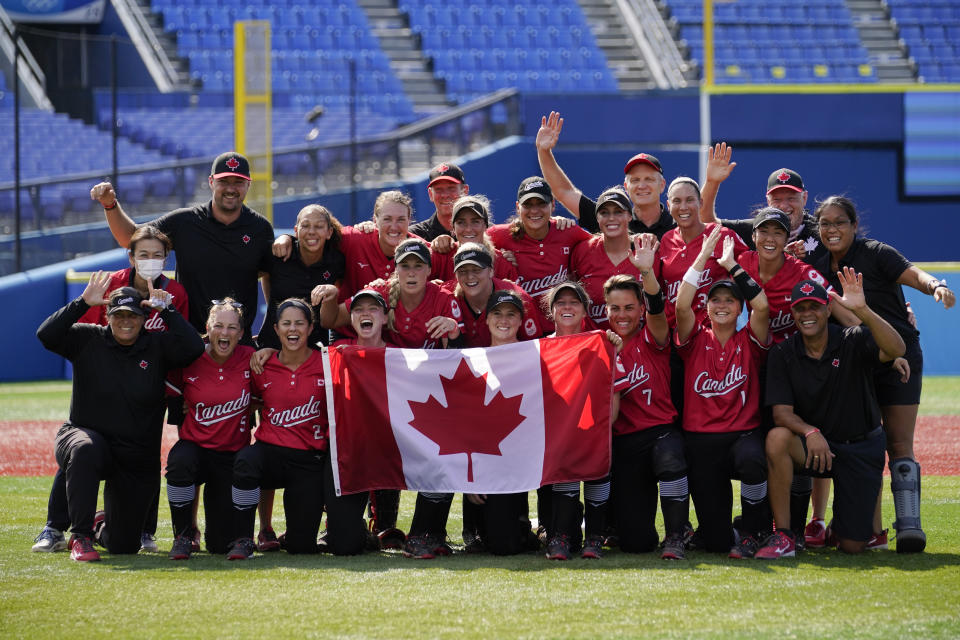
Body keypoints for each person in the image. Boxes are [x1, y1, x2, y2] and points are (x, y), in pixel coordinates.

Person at [808, 196, 955, 553]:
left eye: (839, 222)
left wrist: (935, 286)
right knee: (862, 440)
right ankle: (868, 530)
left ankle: (909, 526)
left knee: (900, 442)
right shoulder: (816, 262)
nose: (832, 229)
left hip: (900, 353)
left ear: (855, 225)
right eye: (825, 223)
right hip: (856, 362)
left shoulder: (875, 252)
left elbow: (914, 275)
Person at [32, 225, 190, 555]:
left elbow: (193, 349)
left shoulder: (156, 344)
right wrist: (80, 302)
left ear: (144, 318)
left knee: (124, 545)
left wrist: (169, 310)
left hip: (134, 440)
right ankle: (76, 533)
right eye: (118, 315)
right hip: (85, 435)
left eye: (133, 315)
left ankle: (108, 527)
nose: (126, 321)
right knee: (86, 449)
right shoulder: (89, 337)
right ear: (107, 315)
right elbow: (46, 335)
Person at [757, 274, 906, 557]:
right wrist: (811, 432)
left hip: (860, 447)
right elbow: (781, 414)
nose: (807, 314)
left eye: (814, 307)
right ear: (793, 314)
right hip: (818, 449)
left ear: (828, 309)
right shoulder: (783, 353)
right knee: (777, 438)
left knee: (852, 546)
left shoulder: (853, 339)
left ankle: (850, 525)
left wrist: (862, 311)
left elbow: (897, 349)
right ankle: (785, 536)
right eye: (800, 309)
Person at [227, 298, 368, 559]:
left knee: (301, 547)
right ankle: (243, 538)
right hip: (270, 453)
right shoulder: (262, 365)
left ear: (311, 327)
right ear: (276, 328)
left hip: (308, 460)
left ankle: (347, 527)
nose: (293, 330)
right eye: (286, 324)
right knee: (245, 461)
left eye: (299, 323)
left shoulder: (328, 363)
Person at [91, 151, 275, 340]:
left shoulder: (260, 228)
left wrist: (268, 330)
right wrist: (110, 204)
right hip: (190, 341)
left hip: (238, 343)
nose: (231, 188)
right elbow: (131, 238)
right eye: (224, 181)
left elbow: (269, 275)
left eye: (238, 182)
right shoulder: (184, 221)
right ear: (211, 182)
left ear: (248, 184)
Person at [675, 226, 772, 558]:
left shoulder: (749, 339)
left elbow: (763, 307)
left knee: (753, 460)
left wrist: (732, 265)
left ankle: (756, 530)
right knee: (716, 544)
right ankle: (727, 530)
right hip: (701, 438)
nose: (721, 305)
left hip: (742, 434)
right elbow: (681, 307)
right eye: (715, 300)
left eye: (729, 301)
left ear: (738, 307)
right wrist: (704, 256)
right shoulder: (695, 338)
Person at [165, 298, 254, 559]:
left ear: (241, 333)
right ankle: (183, 535)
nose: (224, 333)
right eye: (218, 326)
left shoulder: (252, 358)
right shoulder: (190, 358)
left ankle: (242, 538)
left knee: (218, 545)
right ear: (207, 327)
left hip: (230, 455)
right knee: (179, 460)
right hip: (196, 449)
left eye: (231, 328)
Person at [541, 280, 620, 560]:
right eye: (560, 302)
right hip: (558, 437)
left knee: (598, 473)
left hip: (594, 432)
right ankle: (560, 536)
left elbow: (613, 399)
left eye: (573, 302)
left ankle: (596, 536)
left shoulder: (601, 343)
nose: (567, 307)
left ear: (585, 310)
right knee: (567, 474)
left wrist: (596, 431)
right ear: (551, 310)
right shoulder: (540, 348)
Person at [462, 290, 540, 556]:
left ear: (521, 321)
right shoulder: (472, 360)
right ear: (486, 320)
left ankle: (539, 526)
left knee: (507, 544)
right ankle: (474, 527)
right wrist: (469, 478)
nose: (503, 320)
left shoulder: (537, 356)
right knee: (501, 546)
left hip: (525, 456)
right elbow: (463, 424)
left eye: (511, 314)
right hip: (487, 459)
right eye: (497, 313)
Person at [535, 111, 676, 238]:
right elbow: (563, 192)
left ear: (662, 185)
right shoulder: (610, 221)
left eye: (649, 179)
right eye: (635, 180)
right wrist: (544, 151)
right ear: (626, 186)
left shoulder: (679, 225)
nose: (642, 185)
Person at [486, 177, 593, 331]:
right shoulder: (499, 235)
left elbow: (603, 246)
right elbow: (468, 248)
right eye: (528, 205)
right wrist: (443, 242)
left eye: (541, 204)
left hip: (562, 332)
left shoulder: (568, 231)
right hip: (522, 335)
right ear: (518, 207)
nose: (534, 211)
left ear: (553, 205)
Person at [319, 239, 463, 350]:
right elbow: (331, 321)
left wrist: (453, 331)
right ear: (396, 269)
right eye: (405, 266)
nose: (411, 273)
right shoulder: (379, 292)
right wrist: (330, 297)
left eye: (418, 266)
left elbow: (453, 359)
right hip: (385, 378)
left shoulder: (443, 298)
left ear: (429, 270)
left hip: (427, 381)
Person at [699, 143, 826, 264]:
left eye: (791, 198)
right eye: (777, 199)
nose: (784, 206)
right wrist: (712, 182)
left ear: (804, 198)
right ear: (768, 201)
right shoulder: (755, 229)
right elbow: (707, 223)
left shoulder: (821, 231)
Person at [656, 176, 750, 328]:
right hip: (675, 334)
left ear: (700, 203)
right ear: (668, 205)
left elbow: (754, 267)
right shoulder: (666, 240)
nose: (683, 207)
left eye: (690, 200)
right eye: (677, 201)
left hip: (713, 333)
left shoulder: (722, 235)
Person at [257, 204, 345, 350]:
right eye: (305, 225)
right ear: (296, 231)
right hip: (272, 348)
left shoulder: (336, 262)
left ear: (329, 232)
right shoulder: (279, 254)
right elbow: (263, 275)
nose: (311, 231)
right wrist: (273, 309)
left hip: (315, 351)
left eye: (318, 226)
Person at [570, 186, 646, 330]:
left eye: (618, 212)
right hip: (595, 345)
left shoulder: (646, 251)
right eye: (604, 213)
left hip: (637, 346)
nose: (611, 218)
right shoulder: (582, 251)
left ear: (630, 216)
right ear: (597, 218)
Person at [442, 242, 541, 347]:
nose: (470, 276)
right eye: (462, 271)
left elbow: (534, 346)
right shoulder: (444, 296)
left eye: (477, 270)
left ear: (491, 271)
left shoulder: (518, 299)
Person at [428, 195, 519, 283]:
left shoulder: (503, 264)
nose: (468, 229)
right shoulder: (440, 257)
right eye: (461, 222)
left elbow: (518, 296)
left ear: (485, 226)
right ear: (453, 227)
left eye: (475, 222)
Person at [409, 163, 470, 241]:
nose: (445, 195)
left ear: (465, 191)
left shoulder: (481, 231)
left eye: (451, 188)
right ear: (431, 194)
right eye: (438, 189)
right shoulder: (415, 235)